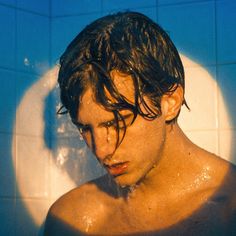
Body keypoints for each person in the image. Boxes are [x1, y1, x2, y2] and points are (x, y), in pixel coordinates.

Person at [44, 12, 236, 235]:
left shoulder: (229, 210)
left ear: (169, 103)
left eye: (117, 123)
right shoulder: (72, 219)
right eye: (85, 128)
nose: (101, 150)